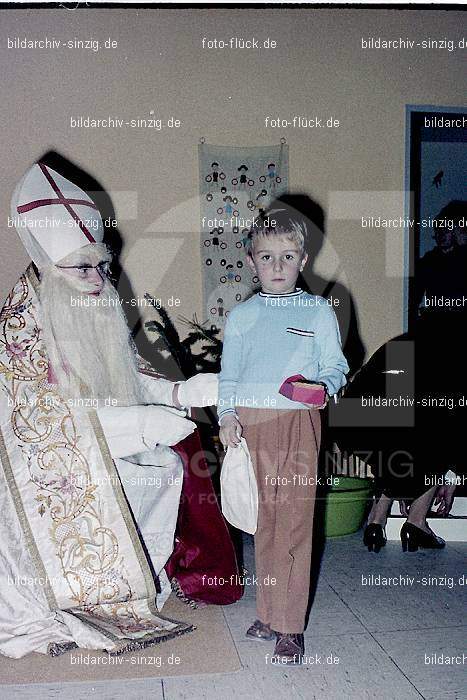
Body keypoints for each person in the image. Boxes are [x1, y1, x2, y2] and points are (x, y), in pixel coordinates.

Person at [0, 161, 239, 659]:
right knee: (140, 462)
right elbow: (46, 428)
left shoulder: (95, 308)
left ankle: (135, 589)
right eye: (82, 268)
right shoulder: (20, 329)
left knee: (166, 466)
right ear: (48, 265)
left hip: (99, 443)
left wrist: (180, 394)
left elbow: (131, 378)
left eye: (101, 266)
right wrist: (140, 424)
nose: (97, 279)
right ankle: (65, 601)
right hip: (31, 475)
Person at [217, 204, 349, 664]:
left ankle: (290, 627)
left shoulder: (316, 311)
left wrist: (322, 387)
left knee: (294, 523)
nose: (277, 266)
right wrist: (227, 415)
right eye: (267, 257)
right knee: (264, 524)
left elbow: (337, 366)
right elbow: (228, 375)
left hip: (297, 423)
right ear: (251, 261)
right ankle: (269, 613)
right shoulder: (242, 316)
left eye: (287, 256)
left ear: (302, 260)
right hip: (252, 424)